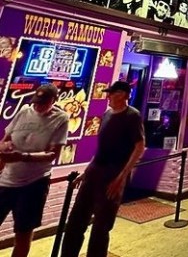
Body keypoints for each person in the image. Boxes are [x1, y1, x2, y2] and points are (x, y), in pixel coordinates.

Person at [61, 81, 145, 257]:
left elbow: (139, 146)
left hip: (113, 175)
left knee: (101, 226)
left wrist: (121, 177)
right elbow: (101, 149)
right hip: (94, 173)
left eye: (112, 93)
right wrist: (86, 172)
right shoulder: (107, 114)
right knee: (76, 221)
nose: (108, 96)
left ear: (123, 95)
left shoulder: (132, 116)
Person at [0, 84, 68, 257]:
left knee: (23, 233)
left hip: (34, 184)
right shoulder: (24, 111)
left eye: (43, 102)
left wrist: (23, 156)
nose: (38, 105)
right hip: (6, 180)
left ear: (54, 100)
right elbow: (5, 139)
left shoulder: (61, 118)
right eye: (36, 102)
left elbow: (53, 154)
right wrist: (4, 147)